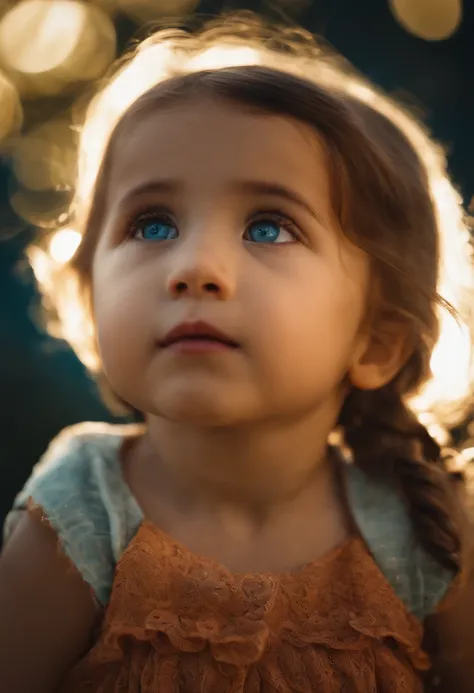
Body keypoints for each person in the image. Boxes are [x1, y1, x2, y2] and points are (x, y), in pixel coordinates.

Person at [1, 12, 474, 693]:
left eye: (268, 227)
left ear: (376, 340)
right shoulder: (82, 517)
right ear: (87, 295)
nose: (194, 267)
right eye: (153, 223)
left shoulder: (421, 526)